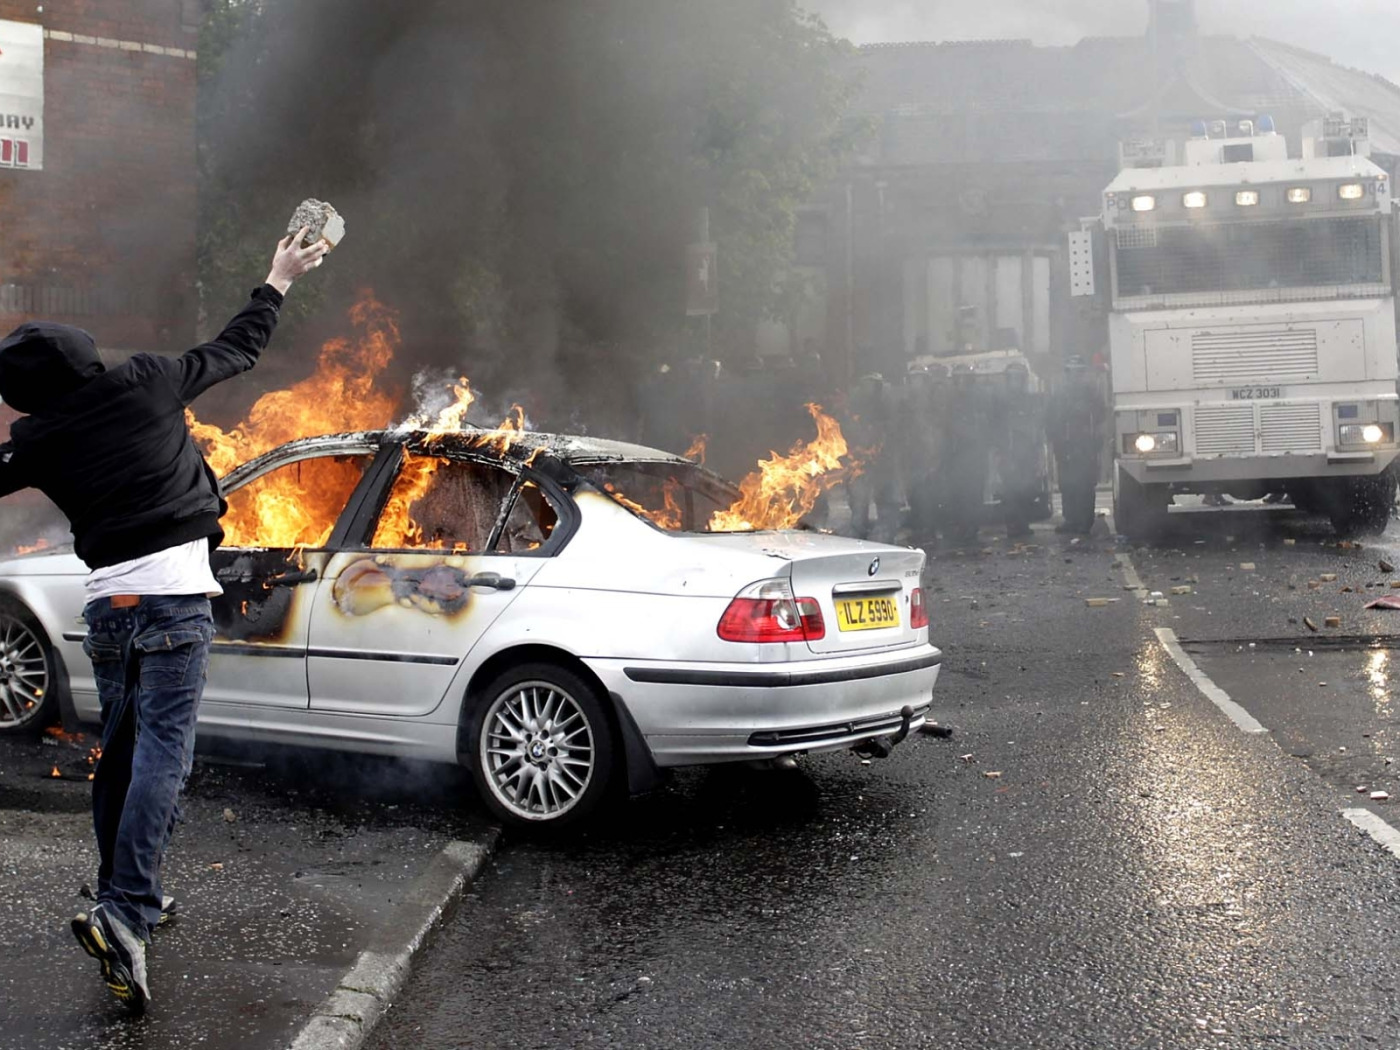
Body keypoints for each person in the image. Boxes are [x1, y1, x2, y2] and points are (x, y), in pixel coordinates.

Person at [0, 230, 328, 1012]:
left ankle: (129, 895)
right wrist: (278, 276)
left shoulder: (38, 439)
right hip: (175, 603)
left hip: (107, 611)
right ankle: (124, 911)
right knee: (161, 760)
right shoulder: (148, 382)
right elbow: (236, 348)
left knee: (120, 755)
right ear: (87, 356)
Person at [1046, 355, 1108, 536]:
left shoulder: (1091, 393)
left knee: (1086, 484)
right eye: (1071, 372)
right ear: (1067, 374)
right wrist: (1054, 439)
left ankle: (1084, 521)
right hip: (1065, 445)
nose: (1075, 376)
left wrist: (1096, 442)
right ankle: (1071, 519)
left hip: (1085, 445)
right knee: (1067, 484)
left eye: (1078, 372)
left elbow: (1100, 417)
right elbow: (1050, 417)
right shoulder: (1058, 394)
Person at [995, 361, 1045, 540]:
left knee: (1026, 491)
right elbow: (996, 428)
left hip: (1027, 452)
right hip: (1009, 452)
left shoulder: (1030, 401)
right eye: (1012, 378)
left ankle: (1023, 524)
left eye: (1019, 378)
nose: (1015, 381)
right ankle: (1013, 526)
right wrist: (1000, 452)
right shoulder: (1000, 402)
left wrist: (1038, 450)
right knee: (1010, 491)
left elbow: (1037, 425)